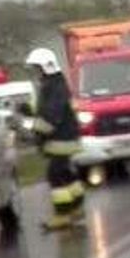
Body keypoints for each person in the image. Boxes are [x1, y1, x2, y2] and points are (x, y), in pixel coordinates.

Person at [22, 48, 84, 230]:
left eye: (37, 68)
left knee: (55, 175)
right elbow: (42, 108)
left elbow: (50, 117)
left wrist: (35, 131)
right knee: (65, 173)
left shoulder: (53, 86)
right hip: (64, 137)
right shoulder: (52, 84)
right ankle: (76, 209)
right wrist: (27, 109)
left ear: (45, 67)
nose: (35, 72)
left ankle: (63, 215)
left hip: (61, 140)